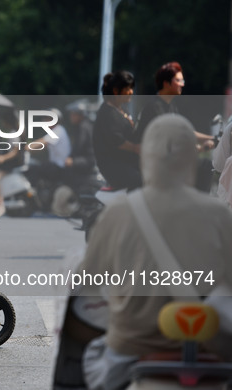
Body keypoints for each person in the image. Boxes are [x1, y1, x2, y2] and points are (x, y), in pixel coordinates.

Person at [80, 114, 232, 390]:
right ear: (190, 159)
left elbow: (86, 282)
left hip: (132, 345)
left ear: (145, 158)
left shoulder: (117, 212)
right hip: (209, 346)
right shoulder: (219, 214)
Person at [134, 62, 215, 192]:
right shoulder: (155, 108)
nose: (182, 84)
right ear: (166, 83)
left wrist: (213, 138)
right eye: (178, 80)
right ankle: (197, 207)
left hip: (165, 159)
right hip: (155, 163)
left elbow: (184, 130)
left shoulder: (170, 106)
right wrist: (197, 146)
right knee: (205, 165)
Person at [92, 71, 141, 190]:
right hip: (113, 165)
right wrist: (136, 148)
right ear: (115, 91)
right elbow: (117, 141)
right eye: (127, 89)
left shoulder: (122, 110)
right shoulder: (107, 113)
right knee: (140, 179)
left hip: (128, 162)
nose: (131, 92)